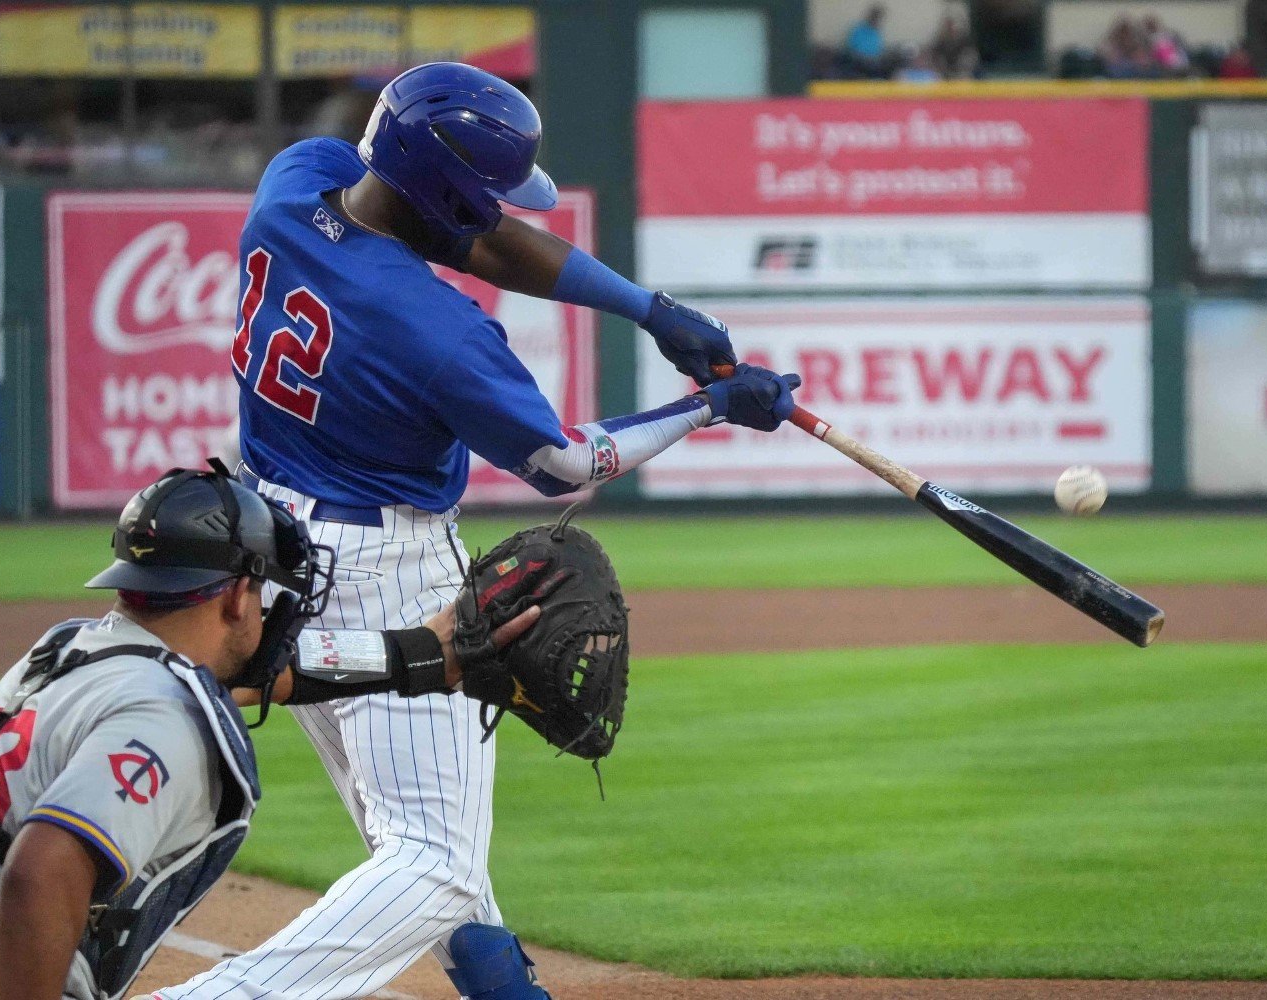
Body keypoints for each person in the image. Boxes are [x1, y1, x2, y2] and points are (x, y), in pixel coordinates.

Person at [151, 62, 800, 1000]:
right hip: (385, 569)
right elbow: (565, 466)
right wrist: (709, 406)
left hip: (269, 552)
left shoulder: (298, 179)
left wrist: (648, 311)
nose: (499, 211)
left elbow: (479, 237)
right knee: (435, 863)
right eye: (488, 194)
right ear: (447, 197)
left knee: (423, 847)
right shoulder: (437, 332)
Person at [0, 468, 542, 1000]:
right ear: (240, 595)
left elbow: (247, 676)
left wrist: (417, 655)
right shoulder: (162, 714)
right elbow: (41, 871)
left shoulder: (69, 646)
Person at [844, 4, 889, 77]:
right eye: (875, 17)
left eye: (879, 18)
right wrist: (865, 59)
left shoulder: (877, 33)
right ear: (870, 16)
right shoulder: (858, 30)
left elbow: (879, 51)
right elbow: (851, 50)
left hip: (874, 62)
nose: (877, 20)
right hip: (858, 61)